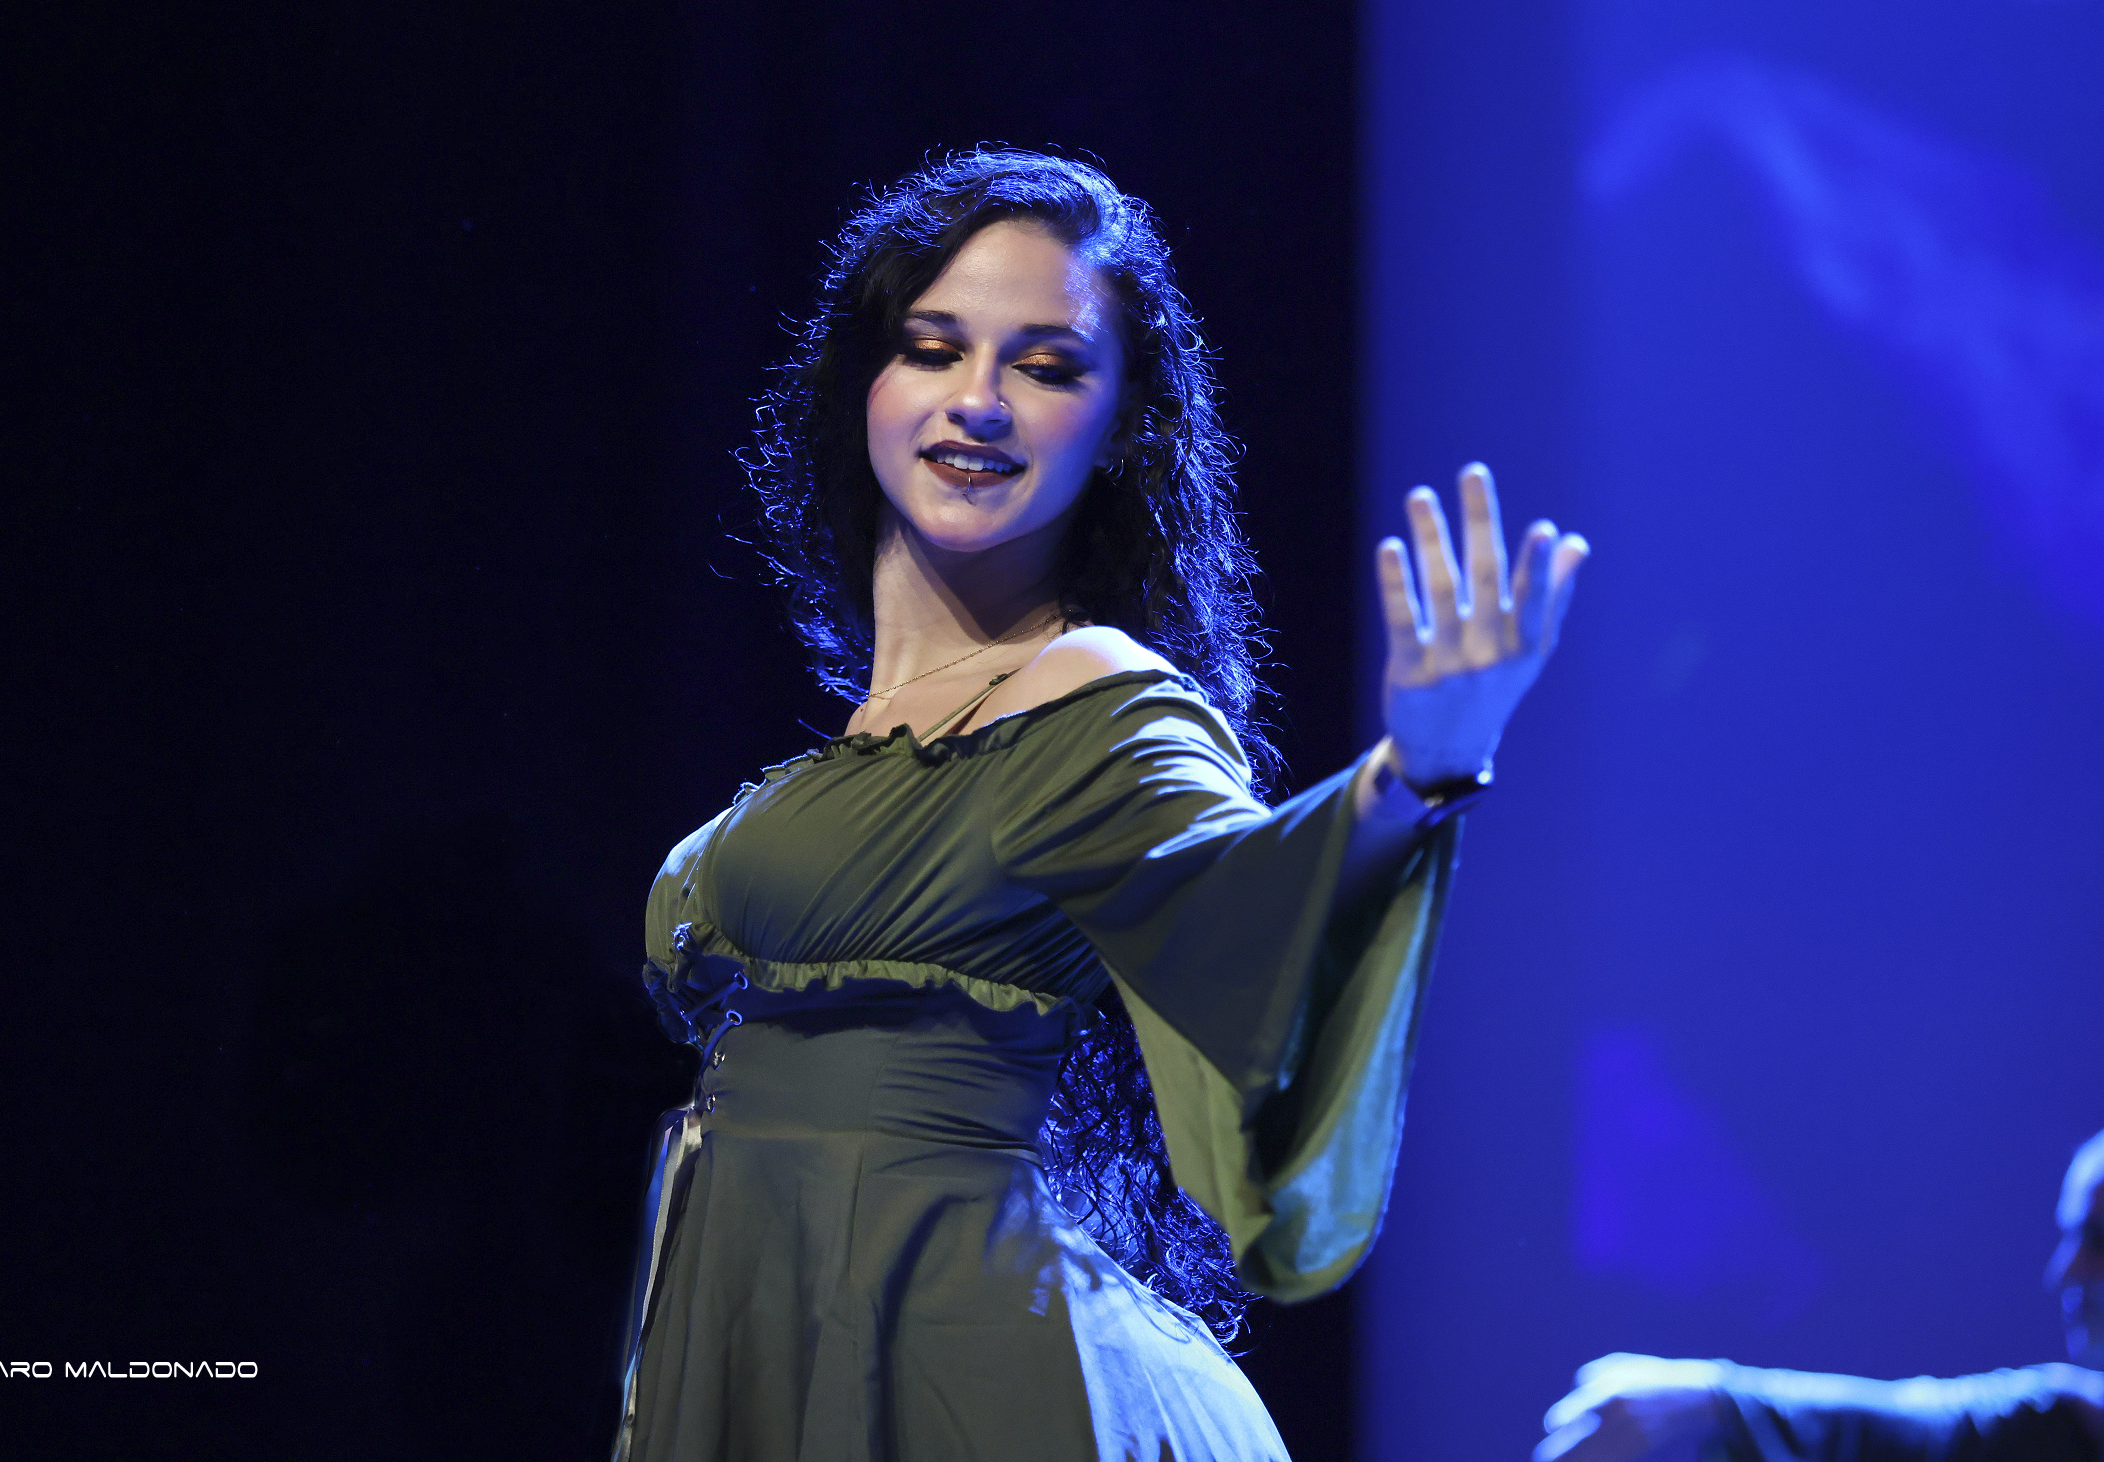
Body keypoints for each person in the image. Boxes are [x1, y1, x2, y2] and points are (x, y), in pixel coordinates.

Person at [615, 148, 1588, 1460]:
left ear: (1124, 421)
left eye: (1046, 367)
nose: (978, 402)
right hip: (772, 1328)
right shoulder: (884, 730)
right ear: (865, 380)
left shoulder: (1091, 695)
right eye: (934, 348)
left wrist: (1411, 774)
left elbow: (1246, 903)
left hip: (948, 1364)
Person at [1537, 1131, 2104, 1462]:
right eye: (2071, 1239)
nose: (2066, 1274)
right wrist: (1711, 1400)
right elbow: (1919, 1431)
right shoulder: (2066, 1427)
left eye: (2099, 1240)